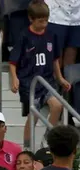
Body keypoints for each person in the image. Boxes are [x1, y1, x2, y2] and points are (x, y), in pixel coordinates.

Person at [9, 1, 70, 149]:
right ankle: (28, 147)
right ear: (31, 19)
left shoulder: (51, 36)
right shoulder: (24, 36)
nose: (44, 24)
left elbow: (55, 59)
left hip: (47, 79)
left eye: (46, 20)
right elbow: (12, 61)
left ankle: (48, 138)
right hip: (29, 82)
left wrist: (60, 78)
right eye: (40, 21)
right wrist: (14, 78)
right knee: (33, 115)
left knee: (57, 106)